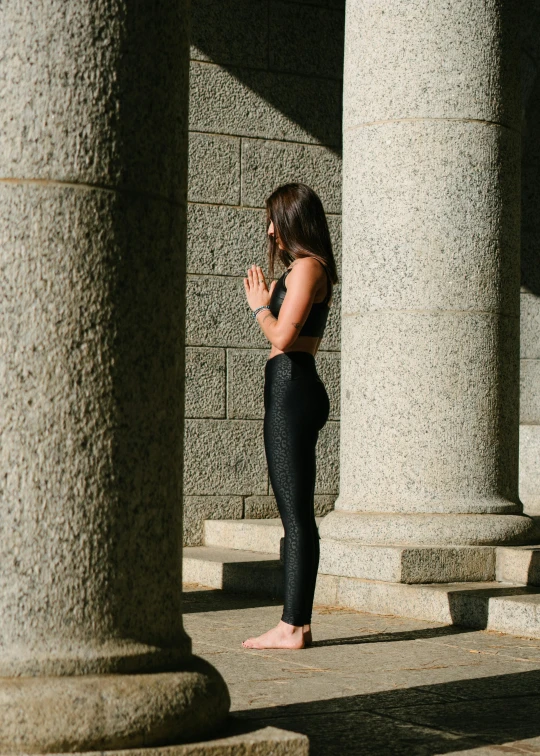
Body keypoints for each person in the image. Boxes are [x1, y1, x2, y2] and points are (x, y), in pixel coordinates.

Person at [242, 182, 339, 650]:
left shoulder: (306, 267)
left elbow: (281, 337)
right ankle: (295, 622)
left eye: (275, 220)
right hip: (292, 388)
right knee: (294, 512)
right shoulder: (304, 270)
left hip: (292, 389)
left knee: (295, 516)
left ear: (294, 221)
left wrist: (261, 305)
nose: (269, 230)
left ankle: (292, 626)